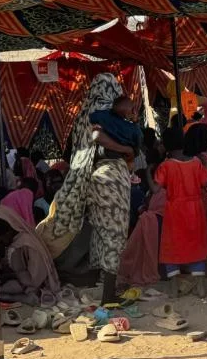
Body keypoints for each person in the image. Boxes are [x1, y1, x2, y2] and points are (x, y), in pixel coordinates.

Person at [37, 73, 138, 308]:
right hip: (110, 177)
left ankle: (98, 281)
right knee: (114, 233)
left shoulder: (84, 113)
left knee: (99, 230)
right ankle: (109, 295)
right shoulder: (106, 111)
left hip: (90, 177)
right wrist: (127, 150)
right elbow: (98, 137)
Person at [152, 126, 207, 297]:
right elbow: (205, 181)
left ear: (166, 144)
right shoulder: (196, 163)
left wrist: (149, 171)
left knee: (172, 246)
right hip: (195, 209)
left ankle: (173, 288)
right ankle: (200, 287)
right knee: (197, 244)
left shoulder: (166, 166)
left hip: (174, 211)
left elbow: (155, 189)